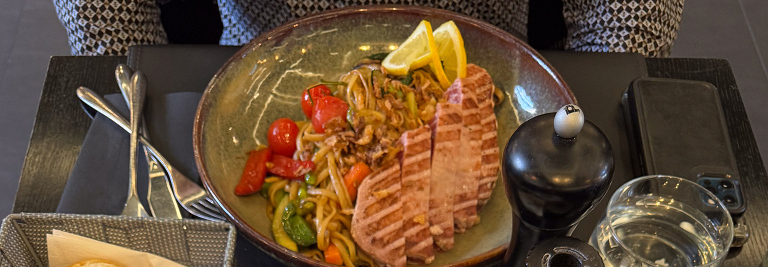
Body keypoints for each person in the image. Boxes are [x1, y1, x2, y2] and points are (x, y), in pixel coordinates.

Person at [51, 0, 684, 60]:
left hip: (480, 61)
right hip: (266, 67)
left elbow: (635, 8)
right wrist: (130, 83)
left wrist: (581, 118)